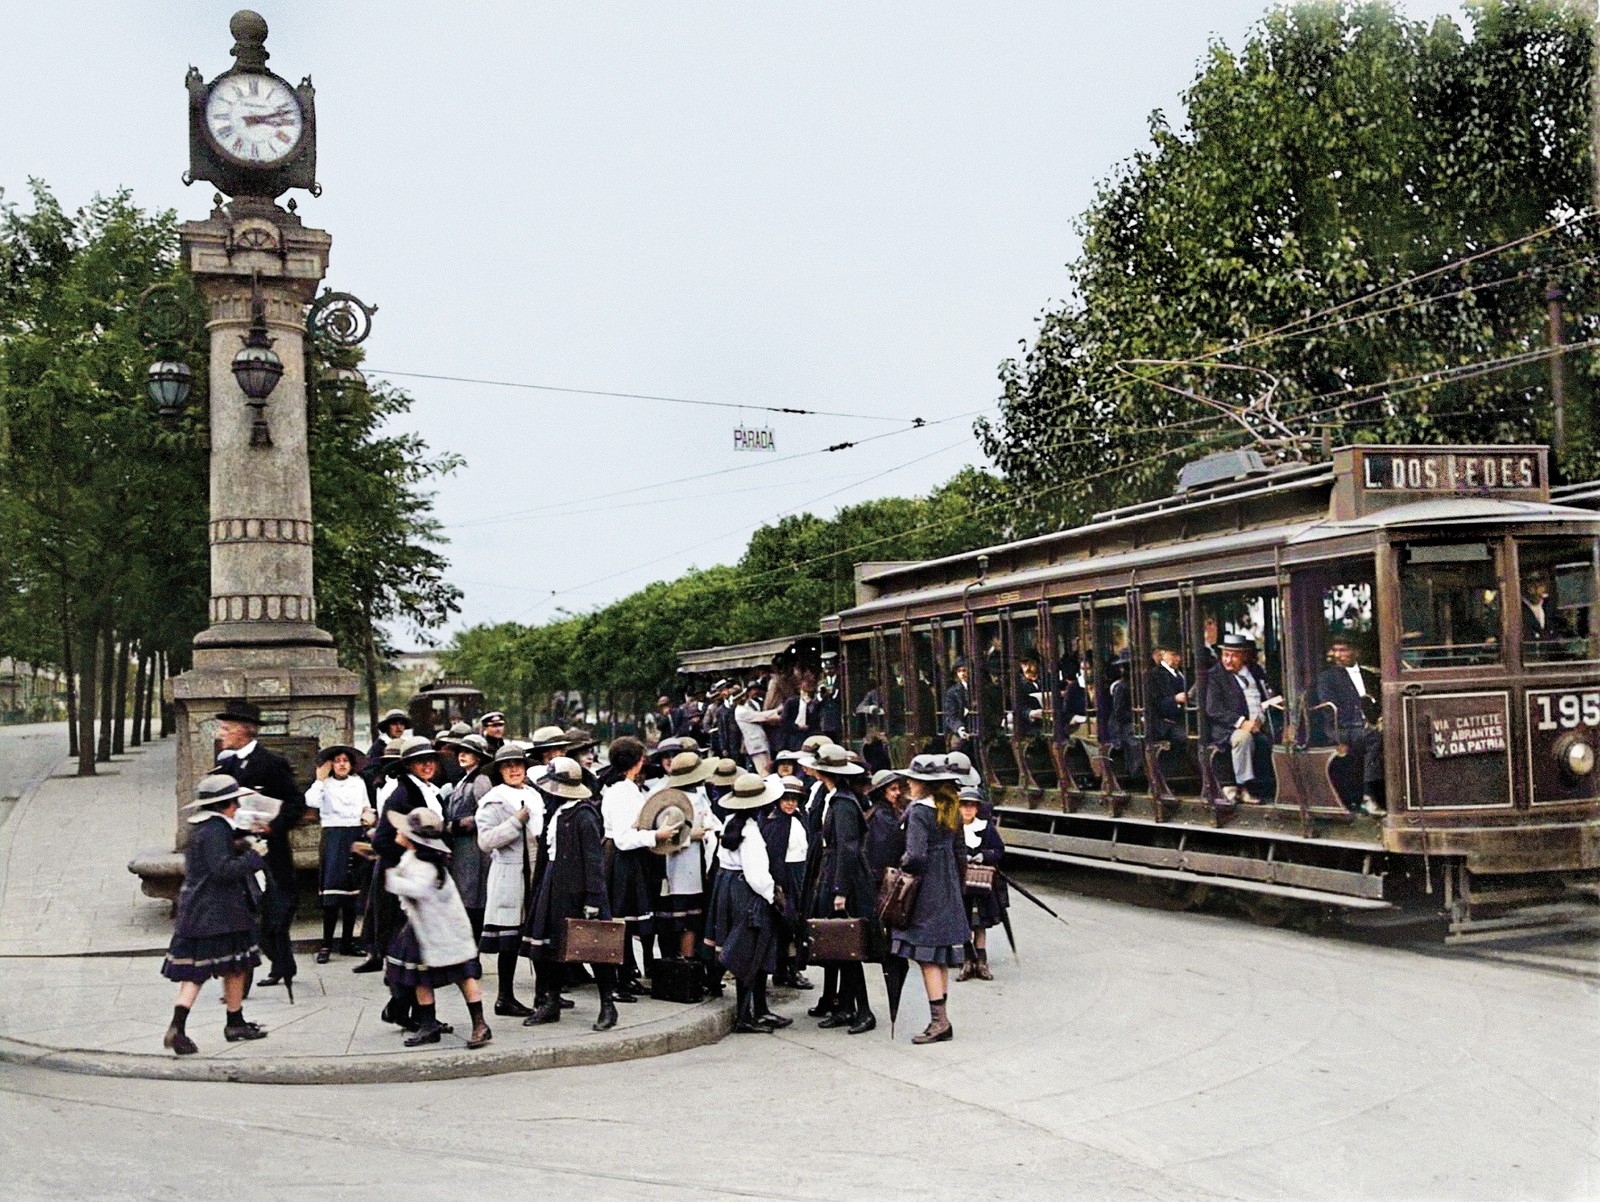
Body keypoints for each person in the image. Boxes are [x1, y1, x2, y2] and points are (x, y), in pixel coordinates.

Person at [161, 775, 270, 1055]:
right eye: (235, 802)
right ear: (226, 804)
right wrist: (254, 856)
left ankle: (186, 1025)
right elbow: (222, 869)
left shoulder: (206, 826)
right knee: (232, 966)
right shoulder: (215, 830)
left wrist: (244, 841)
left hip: (201, 910)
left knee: (205, 971)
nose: (237, 807)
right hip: (221, 911)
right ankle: (229, 1023)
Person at [210, 700, 304, 995]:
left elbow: (295, 805)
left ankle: (280, 966)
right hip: (236, 850)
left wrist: (271, 827)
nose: (220, 733)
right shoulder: (225, 764)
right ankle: (244, 984)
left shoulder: (271, 763)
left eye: (226, 728)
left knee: (274, 915)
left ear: (243, 731)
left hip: (269, 852)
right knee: (243, 913)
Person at [521, 757, 621, 1031]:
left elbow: (594, 860)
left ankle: (608, 1006)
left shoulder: (583, 816)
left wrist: (592, 899)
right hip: (552, 884)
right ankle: (550, 1001)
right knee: (546, 947)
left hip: (577, 890)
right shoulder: (556, 812)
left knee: (595, 947)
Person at [383, 808, 492, 1049]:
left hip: (442, 931)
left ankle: (480, 1024)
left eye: (404, 829)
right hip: (424, 928)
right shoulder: (415, 859)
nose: (398, 830)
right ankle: (428, 1023)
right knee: (421, 976)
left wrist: (390, 878)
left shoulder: (426, 865)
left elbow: (418, 890)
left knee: (464, 976)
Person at [892, 754, 970, 1045]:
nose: (908, 784)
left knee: (926, 957)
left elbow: (915, 856)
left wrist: (902, 867)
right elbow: (960, 853)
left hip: (926, 889)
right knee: (939, 956)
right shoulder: (950, 808)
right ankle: (942, 1018)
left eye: (912, 780)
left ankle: (939, 1022)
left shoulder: (919, 812)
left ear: (924, 784)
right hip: (947, 884)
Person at [706, 773, 787, 1034]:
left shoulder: (731, 822)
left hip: (728, 887)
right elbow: (756, 876)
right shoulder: (750, 832)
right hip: (747, 892)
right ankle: (744, 1016)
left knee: (752, 949)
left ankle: (760, 1010)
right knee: (750, 950)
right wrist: (771, 896)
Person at [599, 736, 679, 995]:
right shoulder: (622, 791)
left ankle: (626, 976)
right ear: (635, 761)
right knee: (622, 921)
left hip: (631, 859)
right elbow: (623, 839)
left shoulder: (626, 788)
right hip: (622, 859)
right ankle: (617, 981)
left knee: (629, 921)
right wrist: (656, 835)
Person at [806, 743, 877, 1035]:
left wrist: (840, 890)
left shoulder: (844, 804)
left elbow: (848, 849)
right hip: (835, 872)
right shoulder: (836, 798)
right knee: (838, 945)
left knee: (849, 946)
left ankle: (864, 1010)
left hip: (845, 879)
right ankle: (846, 1007)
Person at [475, 743, 543, 1017]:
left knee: (538, 934)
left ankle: (545, 994)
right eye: (507, 766)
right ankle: (505, 997)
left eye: (518, 764)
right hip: (509, 874)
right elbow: (486, 841)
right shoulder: (494, 799)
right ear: (499, 771)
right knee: (509, 939)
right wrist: (515, 822)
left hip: (535, 872)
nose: (514, 770)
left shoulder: (535, 795)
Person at [305, 744, 370, 963]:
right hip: (333, 836)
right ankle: (325, 944)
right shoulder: (325, 784)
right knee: (332, 893)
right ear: (331, 764)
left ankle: (347, 942)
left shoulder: (358, 783)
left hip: (355, 834)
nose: (341, 764)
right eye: (337, 760)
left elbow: (366, 807)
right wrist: (320, 780)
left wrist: (369, 816)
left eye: (345, 761)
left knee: (351, 892)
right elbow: (311, 802)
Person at [1203, 634, 1283, 804]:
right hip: (1228, 729)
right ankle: (1243, 788)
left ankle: (1277, 787)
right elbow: (1213, 709)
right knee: (1243, 738)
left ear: (1244, 656)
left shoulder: (1255, 671)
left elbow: (1264, 697)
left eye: (1233, 655)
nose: (1228, 660)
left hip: (1260, 724)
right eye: (1225, 655)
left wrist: (1267, 708)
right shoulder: (1215, 676)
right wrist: (1242, 723)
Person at [1312, 640, 1385, 816]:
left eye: (1343, 650)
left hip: (1366, 726)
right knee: (1373, 737)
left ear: (1356, 652)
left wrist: (1381, 718)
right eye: (1335, 650)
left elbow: (1379, 701)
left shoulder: (1369, 675)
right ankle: (1368, 796)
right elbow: (1330, 709)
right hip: (1341, 729)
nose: (1337, 655)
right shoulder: (1327, 678)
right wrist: (1362, 723)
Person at [762, 776, 812, 990]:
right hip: (784, 877)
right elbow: (773, 856)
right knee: (786, 923)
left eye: (794, 799)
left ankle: (790, 968)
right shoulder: (774, 823)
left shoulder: (801, 819)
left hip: (800, 873)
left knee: (798, 923)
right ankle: (787, 969)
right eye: (786, 799)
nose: (790, 803)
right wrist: (778, 885)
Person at [444, 734, 494, 939]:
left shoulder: (480, 780)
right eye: (460, 752)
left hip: (473, 847)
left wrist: (457, 825)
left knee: (472, 896)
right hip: (462, 846)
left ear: (479, 757)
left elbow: (487, 812)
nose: (462, 755)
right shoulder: (463, 780)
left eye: (469, 752)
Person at [956, 788, 1007, 983]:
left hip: (982, 882)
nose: (968, 810)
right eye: (964, 806)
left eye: (972, 806)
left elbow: (999, 849)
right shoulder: (953, 828)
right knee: (964, 921)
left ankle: (982, 962)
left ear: (977, 809)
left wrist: (984, 855)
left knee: (980, 922)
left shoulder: (985, 827)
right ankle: (967, 960)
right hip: (961, 882)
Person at [1143, 647, 1188, 747]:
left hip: (1181, 718)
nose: (1178, 659)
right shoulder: (1154, 675)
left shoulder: (1180, 673)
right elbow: (1155, 703)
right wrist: (1175, 699)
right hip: (1163, 723)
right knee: (1184, 737)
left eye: (1179, 655)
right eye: (1174, 655)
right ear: (1162, 655)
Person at [734, 681, 780, 775]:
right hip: (756, 745)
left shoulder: (747, 707)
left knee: (768, 767)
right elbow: (760, 716)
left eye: (743, 695)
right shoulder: (740, 711)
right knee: (764, 771)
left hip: (761, 742)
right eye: (739, 698)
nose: (743, 698)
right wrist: (778, 712)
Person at [942, 660, 974, 755]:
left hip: (978, 728)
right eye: (959, 671)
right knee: (957, 746)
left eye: (964, 670)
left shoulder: (978, 689)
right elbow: (951, 715)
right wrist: (960, 728)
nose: (962, 674)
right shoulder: (952, 693)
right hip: (963, 727)